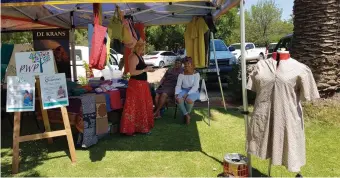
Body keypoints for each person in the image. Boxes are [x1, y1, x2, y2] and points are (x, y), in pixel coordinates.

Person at [120, 39, 155, 135]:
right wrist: (144, 70)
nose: (143, 50)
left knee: (141, 105)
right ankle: (130, 129)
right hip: (136, 85)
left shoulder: (139, 56)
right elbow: (132, 72)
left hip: (142, 85)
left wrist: (148, 69)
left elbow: (142, 68)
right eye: (142, 48)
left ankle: (140, 127)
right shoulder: (133, 57)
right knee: (135, 106)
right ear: (137, 47)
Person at [175, 57, 200, 125]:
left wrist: (187, 94)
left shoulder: (196, 74)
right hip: (183, 90)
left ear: (192, 65)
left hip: (194, 91)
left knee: (189, 100)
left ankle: (186, 114)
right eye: (185, 65)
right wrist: (176, 93)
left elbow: (195, 87)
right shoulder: (181, 74)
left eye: (188, 64)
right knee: (178, 99)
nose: (187, 66)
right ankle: (187, 115)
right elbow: (178, 85)